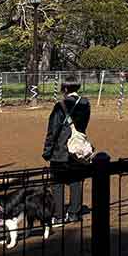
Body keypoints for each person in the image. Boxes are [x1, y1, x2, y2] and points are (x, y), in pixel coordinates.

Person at [42, 76, 91, 225]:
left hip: (60, 149)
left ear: (64, 89)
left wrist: (47, 150)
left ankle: (58, 215)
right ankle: (74, 214)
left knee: (57, 182)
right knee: (76, 180)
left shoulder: (60, 105)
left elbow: (53, 130)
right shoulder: (85, 104)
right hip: (77, 148)